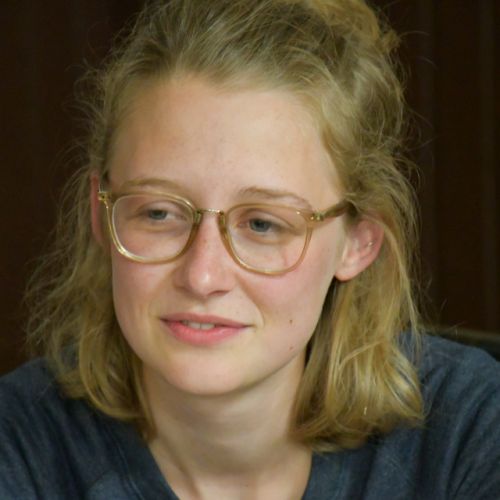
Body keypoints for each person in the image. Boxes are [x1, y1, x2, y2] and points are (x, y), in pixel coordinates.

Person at [1, 0, 499, 498]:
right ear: (100, 213)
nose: (202, 277)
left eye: (263, 224)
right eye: (159, 214)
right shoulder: (19, 446)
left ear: (357, 242)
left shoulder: (470, 428)